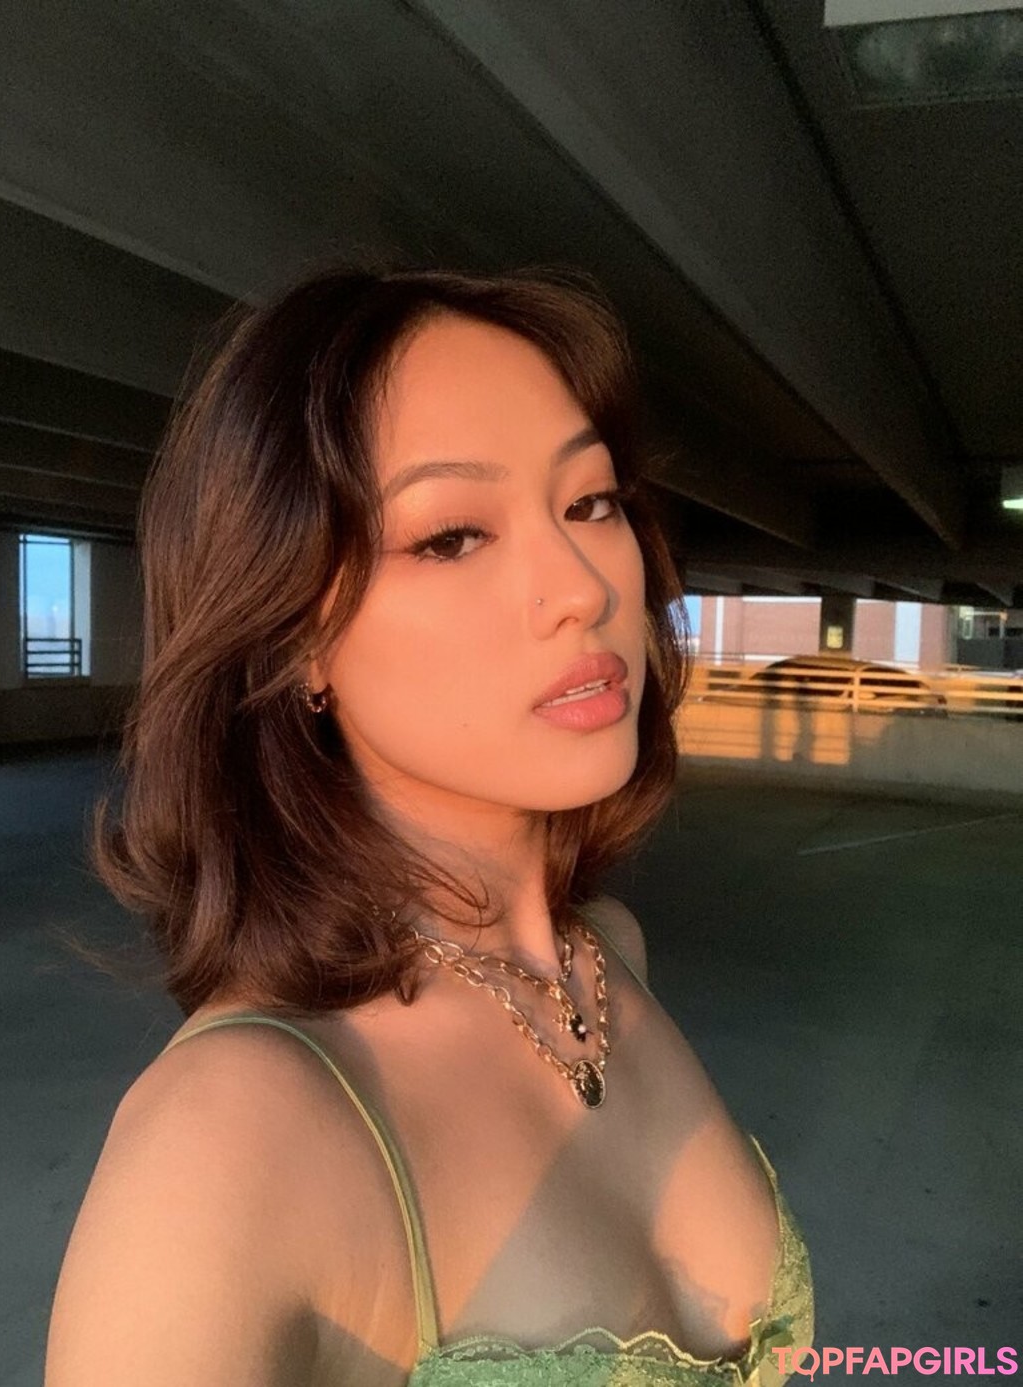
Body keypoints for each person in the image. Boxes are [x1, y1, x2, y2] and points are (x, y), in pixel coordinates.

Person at [45, 266, 814, 1387]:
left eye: (590, 502)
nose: (583, 587)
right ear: (294, 638)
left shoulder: (608, 958)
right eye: (452, 536)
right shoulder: (227, 1137)